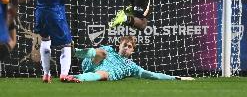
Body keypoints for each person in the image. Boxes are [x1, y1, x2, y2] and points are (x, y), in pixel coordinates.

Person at [62, 36, 194, 83]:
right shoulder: (109, 49)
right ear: (119, 45)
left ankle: (76, 77)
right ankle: (73, 52)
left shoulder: (131, 66)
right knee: (102, 52)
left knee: (103, 74)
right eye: (124, 45)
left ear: (132, 51)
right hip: (92, 63)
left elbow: (152, 75)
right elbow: (97, 53)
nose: (126, 48)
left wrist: (176, 78)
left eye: (129, 46)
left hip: (101, 74)